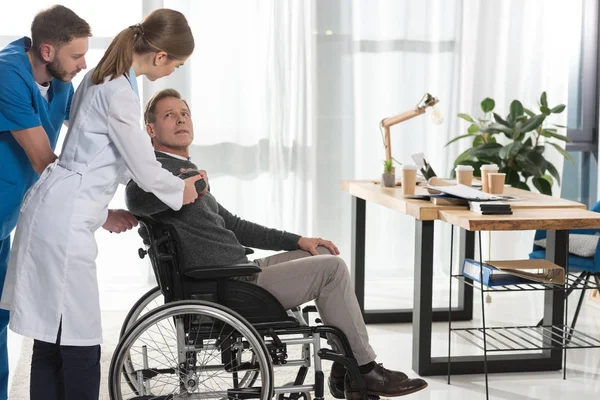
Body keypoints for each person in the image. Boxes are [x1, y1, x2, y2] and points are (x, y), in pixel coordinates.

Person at [125, 89, 429, 399]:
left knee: (322, 253)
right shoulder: (157, 175)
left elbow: (236, 226)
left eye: (184, 113)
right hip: (225, 283)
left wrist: (298, 240)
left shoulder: (180, 169)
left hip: (237, 271)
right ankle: (365, 370)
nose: (180, 119)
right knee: (332, 269)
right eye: (169, 115)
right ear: (151, 130)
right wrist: (189, 185)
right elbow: (134, 196)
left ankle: (344, 365)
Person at [0, 9, 205, 400]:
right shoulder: (119, 92)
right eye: (177, 64)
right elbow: (142, 167)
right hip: (64, 218)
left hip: (55, 208)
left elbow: (103, 154)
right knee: (80, 338)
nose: (173, 71)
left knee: (51, 334)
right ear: (160, 56)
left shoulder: (101, 79)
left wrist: (104, 211)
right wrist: (182, 190)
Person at [0, 5, 90, 399]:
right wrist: (96, 209)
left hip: (6, 216)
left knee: (1, 317)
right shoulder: (7, 74)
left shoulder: (60, 82)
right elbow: (43, 159)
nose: (83, 64)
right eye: (76, 55)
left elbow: (92, 126)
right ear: (48, 51)